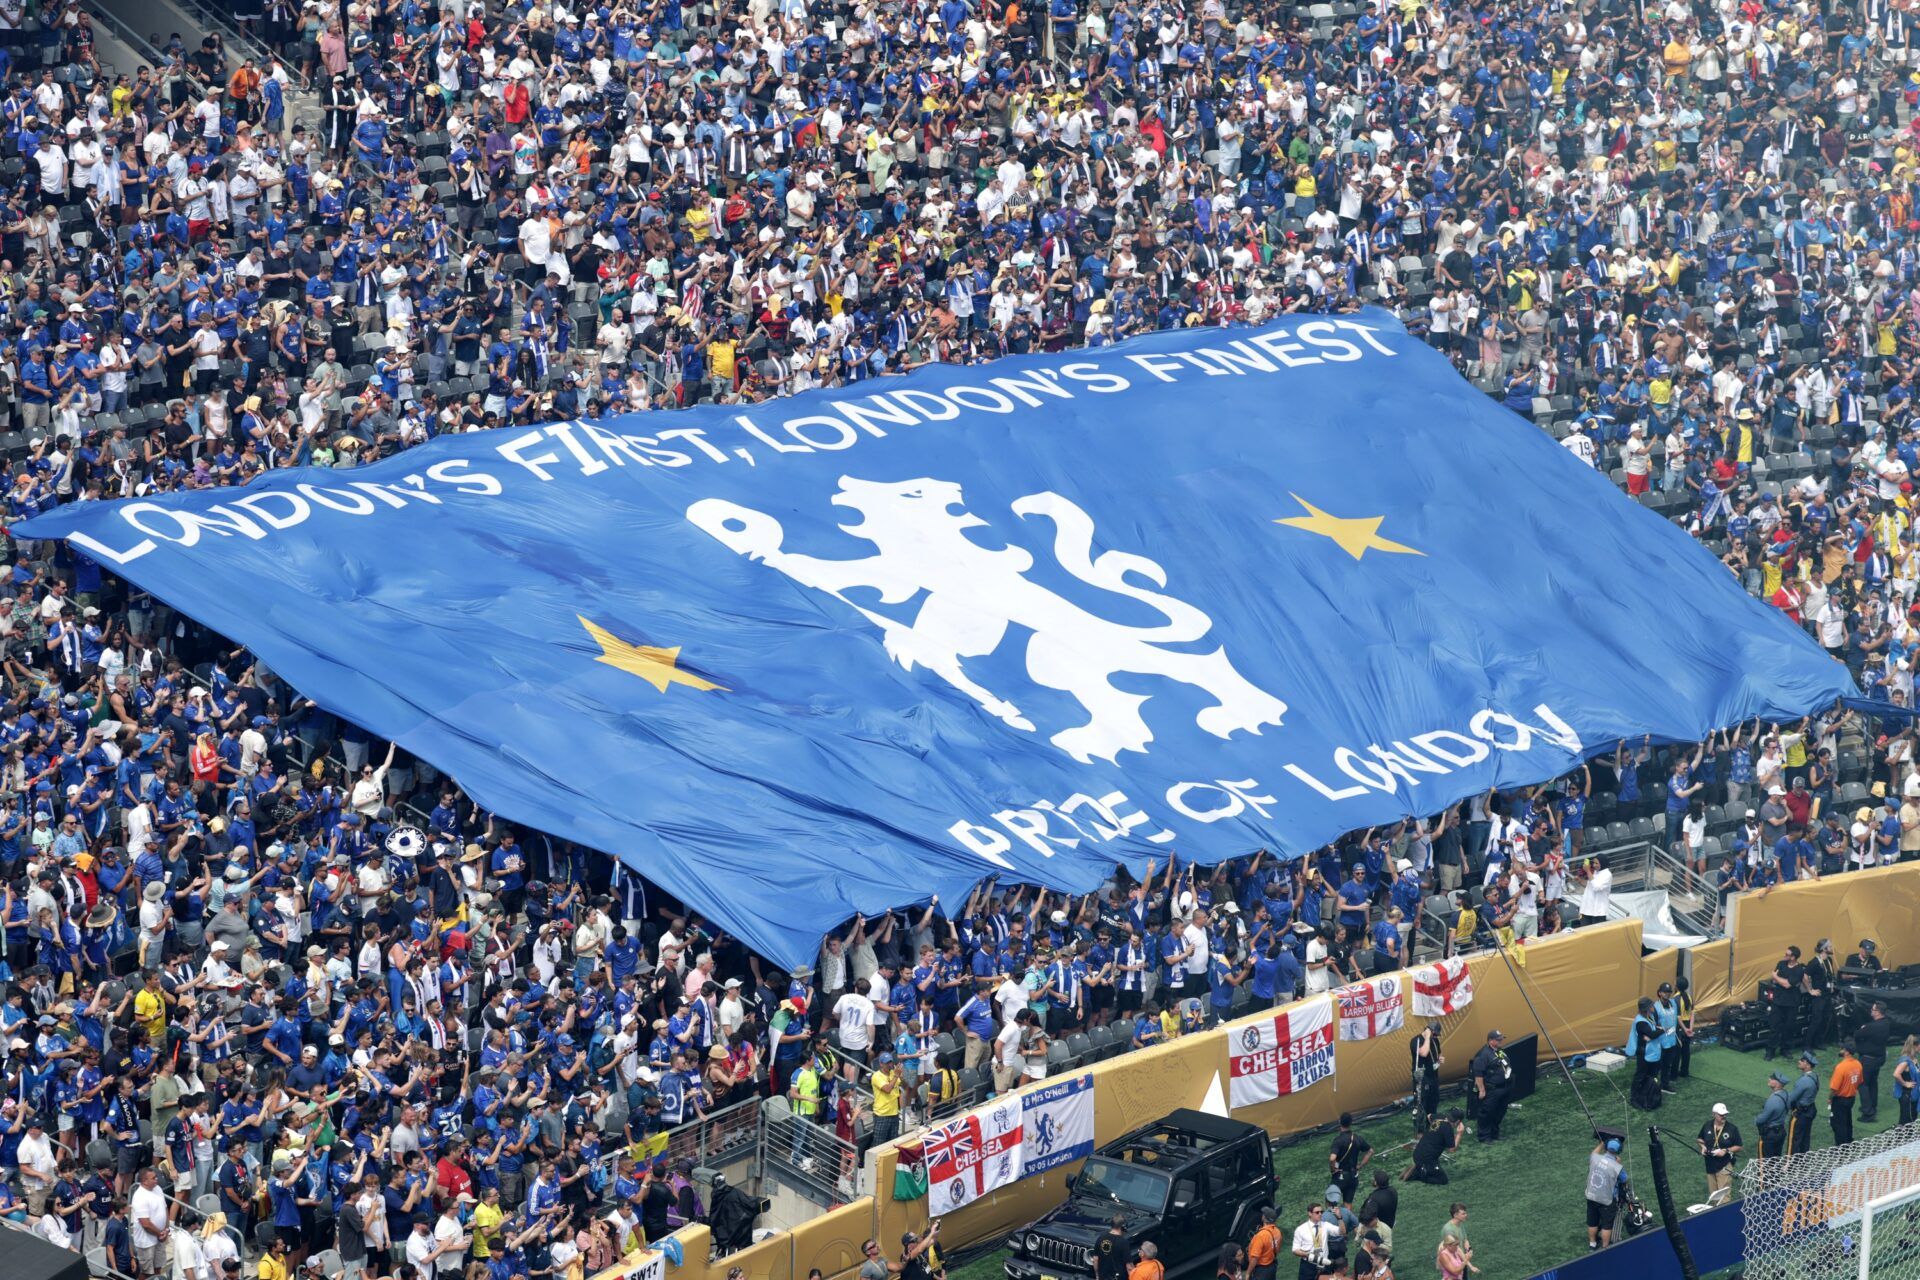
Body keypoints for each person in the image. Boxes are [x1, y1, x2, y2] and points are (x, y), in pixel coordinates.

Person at [1584, 1138, 1626, 1251]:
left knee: (1592, 1222)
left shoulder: (1595, 1157)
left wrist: (1601, 1145)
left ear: (1606, 1148)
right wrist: (1618, 1164)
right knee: (1607, 1225)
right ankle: (1604, 1247)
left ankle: (1592, 1244)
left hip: (1591, 1196)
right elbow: (1624, 1179)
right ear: (1619, 1150)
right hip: (1606, 1200)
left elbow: (1593, 1153)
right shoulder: (1617, 1167)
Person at [1468, 1032, 1511, 1142]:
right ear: (1491, 1040)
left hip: (1503, 1087)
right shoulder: (1482, 1055)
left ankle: (1494, 1134)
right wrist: (1482, 1090)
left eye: (1501, 1039)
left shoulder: (1499, 1051)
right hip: (1492, 1089)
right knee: (1486, 1113)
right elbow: (1478, 1074)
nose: (1501, 1041)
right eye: (1498, 1039)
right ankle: (1484, 1137)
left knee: (1500, 1111)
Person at [1766, 947, 1806, 1061]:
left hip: (1792, 1002)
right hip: (1778, 1001)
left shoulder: (1799, 969)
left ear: (1793, 957)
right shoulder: (1781, 963)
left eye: (1787, 954)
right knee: (1774, 1026)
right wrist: (1779, 979)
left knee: (1789, 1027)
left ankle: (1785, 1049)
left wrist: (1776, 977)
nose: (1784, 955)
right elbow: (1774, 981)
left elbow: (1787, 985)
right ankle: (1770, 1051)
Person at [1402, 1111, 1462, 1186]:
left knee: (1431, 1166)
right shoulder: (1448, 1129)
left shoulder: (1440, 1117)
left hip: (1417, 1152)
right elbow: (1451, 1149)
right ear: (1458, 1122)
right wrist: (1459, 1133)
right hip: (1427, 1159)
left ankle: (1419, 1166)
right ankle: (1418, 1173)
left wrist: (1436, 1131)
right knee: (1443, 1180)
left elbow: (1429, 1116)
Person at [1697, 1104, 1742, 1201]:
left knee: (1724, 1196)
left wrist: (1725, 1150)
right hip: (1710, 1164)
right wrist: (1703, 1147)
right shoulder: (1707, 1125)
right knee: (1713, 1196)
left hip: (1724, 1164)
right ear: (1714, 1114)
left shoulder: (1732, 1129)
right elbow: (1700, 1139)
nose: (1724, 1116)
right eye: (1721, 1114)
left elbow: (1739, 1146)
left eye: (1725, 1114)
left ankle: (1726, 1215)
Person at [1855, 1003, 1892, 1123]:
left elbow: (1857, 1035)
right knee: (1872, 1082)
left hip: (1868, 1060)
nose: (1871, 1010)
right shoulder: (1886, 1024)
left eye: (1873, 1009)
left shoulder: (1871, 1027)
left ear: (1878, 1012)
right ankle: (1872, 1106)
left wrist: (1863, 1028)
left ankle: (1868, 1112)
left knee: (1863, 1084)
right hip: (1879, 1058)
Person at [1626, 998, 1663, 1111]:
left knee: (1651, 1075)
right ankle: (1634, 1098)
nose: (1653, 1007)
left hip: (1652, 1052)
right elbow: (1651, 1034)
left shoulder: (1649, 1017)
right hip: (1644, 1053)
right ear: (1646, 1008)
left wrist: (1655, 1031)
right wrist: (1662, 1030)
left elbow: (1651, 1033)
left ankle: (1646, 1095)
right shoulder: (1641, 1021)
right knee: (1640, 1076)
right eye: (1651, 1006)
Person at [1329, 1113, 1370, 1206]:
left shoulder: (1338, 1140)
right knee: (1348, 1204)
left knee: (1330, 1201)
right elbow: (1370, 1151)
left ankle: (1333, 1219)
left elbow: (1332, 1159)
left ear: (1340, 1122)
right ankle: (1347, 1219)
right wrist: (1361, 1165)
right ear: (1351, 1123)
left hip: (1340, 1176)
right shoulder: (1358, 1138)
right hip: (1353, 1175)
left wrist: (1333, 1169)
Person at [1409, 1026, 1442, 1132]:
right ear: (1429, 1031)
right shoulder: (1416, 1040)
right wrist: (1427, 1037)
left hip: (1433, 1077)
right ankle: (1420, 1132)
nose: (1435, 1037)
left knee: (1434, 1102)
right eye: (1434, 1034)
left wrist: (1438, 1060)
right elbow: (1424, 1053)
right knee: (1422, 1105)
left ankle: (1432, 1127)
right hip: (1422, 1079)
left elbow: (1435, 1055)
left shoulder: (1435, 1040)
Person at [1830, 1044, 1864, 1146]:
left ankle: (1841, 1146)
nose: (1840, 1050)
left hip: (1840, 1099)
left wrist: (1829, 1099)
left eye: (1842, 1049)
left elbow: (1834, 1088)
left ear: (1847, 1052)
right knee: (1847, 1120)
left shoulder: (1841, 1067)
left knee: (1838, 1123)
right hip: (1851, 1097)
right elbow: (1860, 1081)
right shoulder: (1858, 1064)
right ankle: (1849, 1141)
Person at [1789, 1052, 1821, 1154]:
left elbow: (1791, 1098)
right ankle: (1802, 1161)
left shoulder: (1803, 1081)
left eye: (1802, 1061)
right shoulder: (1815, 1076)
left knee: (1794, 1139)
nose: (1799, 1061)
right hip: (1810, 1109)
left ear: (1807, 1064)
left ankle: (1790, 1164)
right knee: (1805, 1138)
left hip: (1801, 1113)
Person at [1292, 1204, 1332, 1280]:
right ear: (1310, 1213)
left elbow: (1341, 1232)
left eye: (1321, 1212)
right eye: (1317, 1212)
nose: (1320, 1214)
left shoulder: (1325, 1225)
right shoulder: (1300, 1229)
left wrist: (1340, 1218)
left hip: (1323, 1263)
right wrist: (1307, 1255)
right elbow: (1295, 1250)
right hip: (1308, 1265)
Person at [1756, 1073, 1791, 1159]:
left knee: (1764, 1161)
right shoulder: (1786, 1094)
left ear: (1778, 1084)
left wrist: (1756, 1119)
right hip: (1781, 1131)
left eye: (1772, 1078)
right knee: (1776, 1159)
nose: (1769, 1079)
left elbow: (1761, 1119)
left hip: (1770, 1134)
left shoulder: (1773, 1100)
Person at [1247, 1206, 1284, 1280]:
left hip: (1261, 1271)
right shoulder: (1277, 1231)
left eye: (1263, 1214)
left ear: (1264, 1217)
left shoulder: (1261, 1236)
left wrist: (1248, 1273)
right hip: (1272, 1266)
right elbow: (1277, 1249)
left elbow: (1254, 1258)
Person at [1895, 1037, 1920, 1127]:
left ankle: (1907, 1137)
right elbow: (1896, 1074)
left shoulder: (1913, 1059)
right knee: (1906, 1120)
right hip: (1907, 1094)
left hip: (1913, 1094)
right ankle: (1900, 1138)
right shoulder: (1905, 1061)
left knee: (1912, 1118)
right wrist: (1905, 1083)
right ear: (1915, 1046)